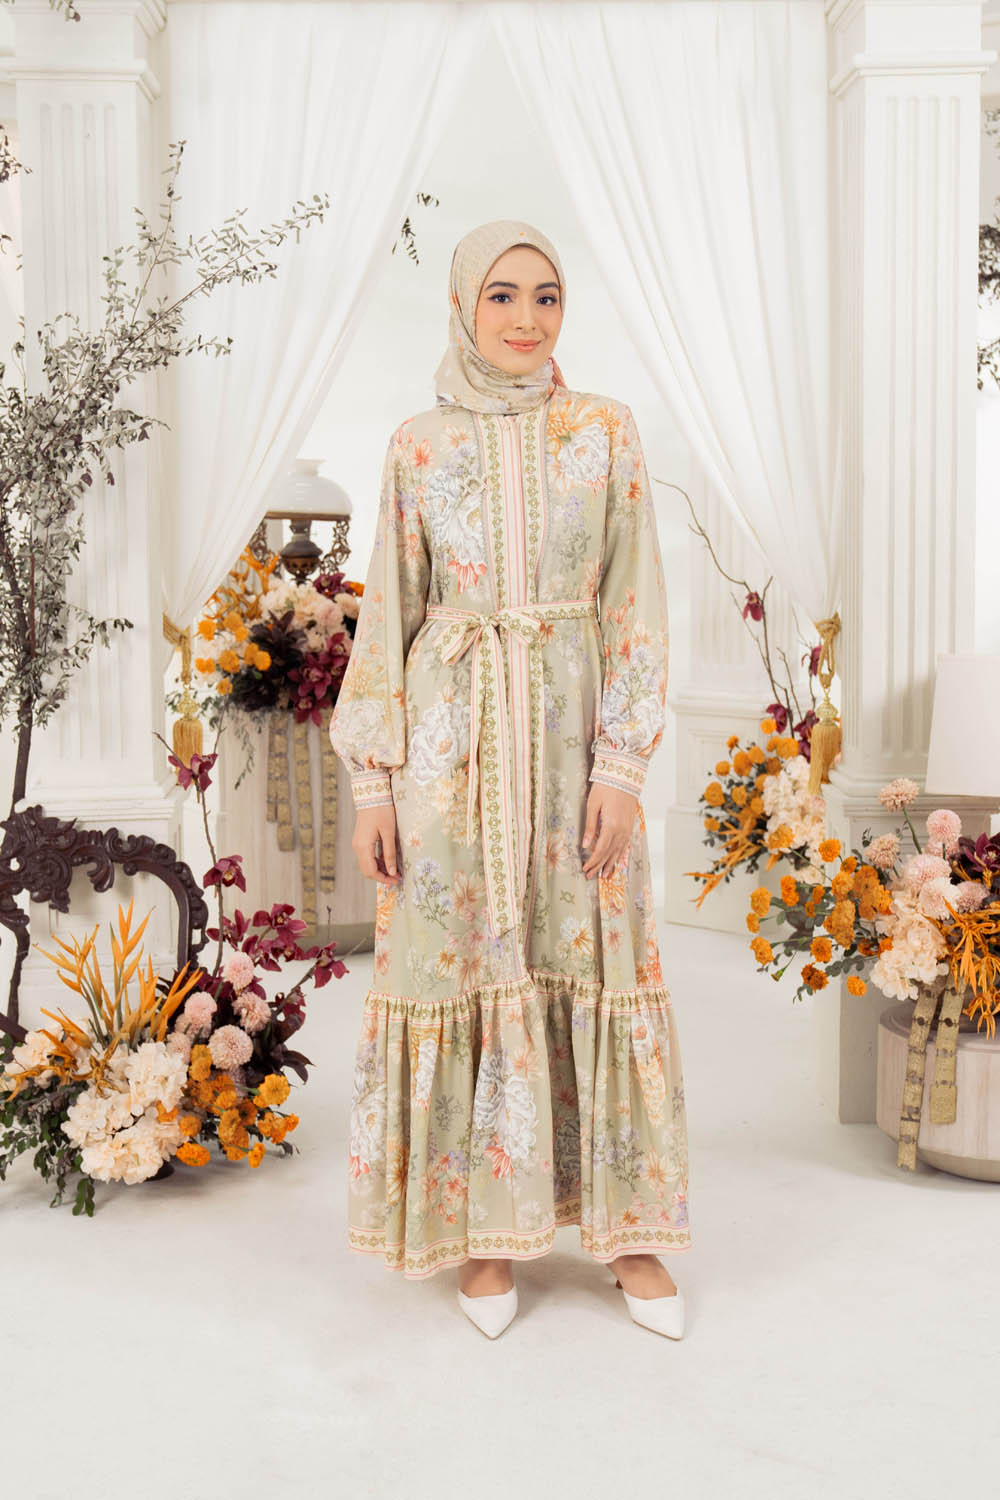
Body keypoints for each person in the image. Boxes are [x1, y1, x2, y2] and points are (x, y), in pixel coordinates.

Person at [328, 219, 691, 1340]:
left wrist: (621, 765)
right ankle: (484, 1230)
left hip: (576, 740)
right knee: (466, 958)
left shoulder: (606, 432)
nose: (526, 318)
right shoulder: (418, 445)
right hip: (448, 755)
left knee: (595, 948)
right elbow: (388, 612)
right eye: (501, 295)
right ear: (461, 306)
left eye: (546, 295)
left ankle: (626, 1228)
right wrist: (376, 785)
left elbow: (635, 601)